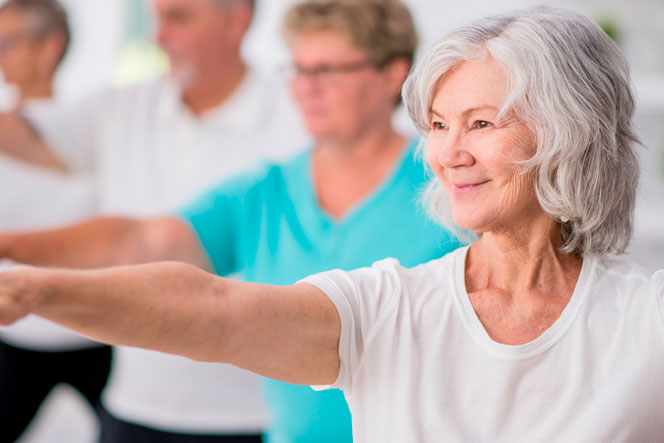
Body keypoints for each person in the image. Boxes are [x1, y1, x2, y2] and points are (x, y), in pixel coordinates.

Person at [3, 6, 662, 442]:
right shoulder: (387, 300)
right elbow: (212, 307)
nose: (449, 151)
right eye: (438, 126)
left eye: (481, 123)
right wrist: (32, 286)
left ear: (567, 132)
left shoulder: (643, 320)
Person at [0, 0, 463, 441]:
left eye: (327, 70)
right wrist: (15, 257)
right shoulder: (265, 191)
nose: (307, 86)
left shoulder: (451, 186)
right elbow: (143, 242)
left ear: (392, 75)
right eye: (299, 69)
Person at [1, 0, 310, 441]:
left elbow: (148, 244)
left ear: (237, 20)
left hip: (252, 415)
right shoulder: (126, 107)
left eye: (179, 18)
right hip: (135, 405)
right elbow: (27, 133)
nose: (158, 35)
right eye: (156, 18)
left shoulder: (299, 116)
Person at [0, 2, 111, 442]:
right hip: (16, 331)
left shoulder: (100, 128)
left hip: (97, 332)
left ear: (50, 47)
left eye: (7, 43)